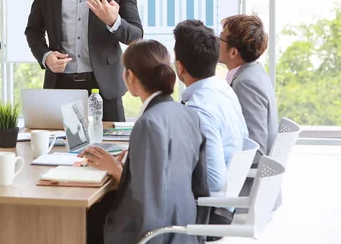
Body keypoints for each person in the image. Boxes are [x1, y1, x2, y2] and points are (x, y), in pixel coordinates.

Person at [82, 39, 208, 244]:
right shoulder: (187, 114)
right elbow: (198, 186)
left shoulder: (148, 124)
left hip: (155, 235)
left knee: (87, 218)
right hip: (183, 229)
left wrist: (117, 171)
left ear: (130, 76)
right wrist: (130, 166)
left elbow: (146, 204)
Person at [174, 20, 248, 233]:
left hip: (210, 214)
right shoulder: (223, 89)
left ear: (180, 67)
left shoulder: (199, 109)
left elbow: (214, 182)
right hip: (227, 204)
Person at [219, 14, 278, 162]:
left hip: (244, 181)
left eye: (221, 37)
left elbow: (256, 151)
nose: (216, 41)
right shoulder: (254, 71)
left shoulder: (246, 83)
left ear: (233, 52)